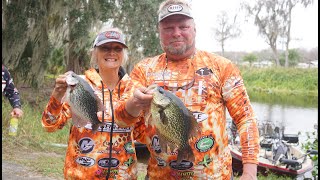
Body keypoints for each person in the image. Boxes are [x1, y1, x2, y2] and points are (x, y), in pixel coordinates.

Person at [119, 0, 260, 179]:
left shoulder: (222, 67)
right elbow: (123, 121)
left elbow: (246, 119)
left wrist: (250, 172)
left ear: (194, 29)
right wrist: (133, 103)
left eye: (183, 26)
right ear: (159, 33)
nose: (176, 33)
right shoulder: (143, 70)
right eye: (168, 28)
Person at [41, 27, 142, 179]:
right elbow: (50, 125)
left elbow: (142, 133)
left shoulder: (135, 89)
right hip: (82, 174)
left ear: (124, 54)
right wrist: (57, 95)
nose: (111, 52)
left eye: (117, 48)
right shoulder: (80, 85)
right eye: (105, 48)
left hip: (123, 175)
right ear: (94, 53)